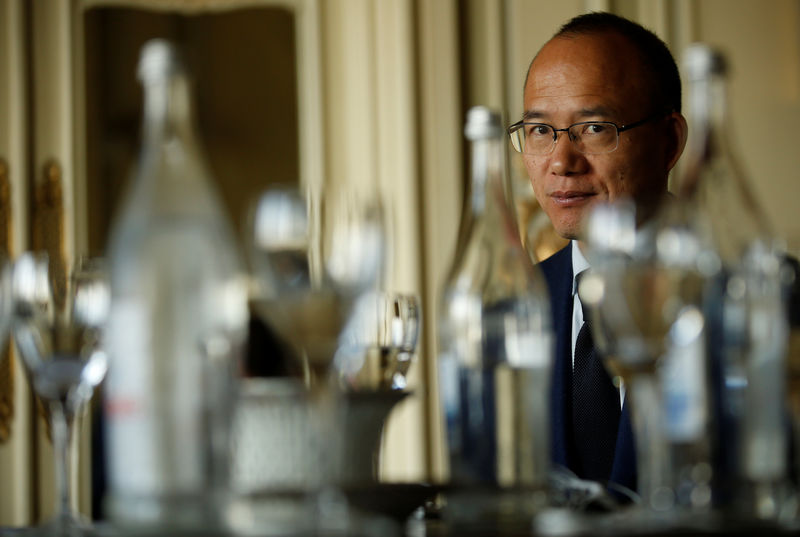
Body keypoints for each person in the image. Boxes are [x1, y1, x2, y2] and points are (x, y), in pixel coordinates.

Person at [508, 12, 688, 493]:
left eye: (593, 127)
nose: (562, 162)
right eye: (540, 131)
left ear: (669, 141)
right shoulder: (513, 304)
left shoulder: (747, 296)